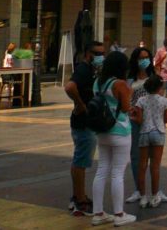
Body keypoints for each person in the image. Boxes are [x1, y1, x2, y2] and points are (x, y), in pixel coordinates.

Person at [90, 50, 136, 226]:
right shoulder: (120, 84)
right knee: (118, 173)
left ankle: (98, 213)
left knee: (102, 170)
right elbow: (125, 107)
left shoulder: (98, 83)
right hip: (120, 131)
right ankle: (119, 214)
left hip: (102, 130)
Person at [65, 41, 104, 217]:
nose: (101, 56)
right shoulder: (83, 69)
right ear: (89, 54)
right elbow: (70, 86)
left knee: (79, 160)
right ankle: (80, 202)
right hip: (83, 122)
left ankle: (78, 197)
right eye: (98, 53)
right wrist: (80, 104)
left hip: (84, 121)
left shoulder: (91, 70)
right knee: (81, 161)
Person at [125, 47, 167, 206]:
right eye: (140, 58)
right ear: (135, 60)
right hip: (136, 122)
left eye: (146, 57)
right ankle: (139, 190)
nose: (144, 60)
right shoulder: (130, 79)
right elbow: (127, 99)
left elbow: (161, 99)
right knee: (137, 157)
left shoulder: (154, 76)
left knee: (154, 160)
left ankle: (156, 190)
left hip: (154, 123)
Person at [132, 75, 167, 209]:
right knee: (155, 166)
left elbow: (139, 120)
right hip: (158, 133)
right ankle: (155, 196)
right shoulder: (164, 101)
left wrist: (132, 115)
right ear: (160, 87)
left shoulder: (141, 100)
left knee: (142, 166)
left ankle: (143, 197)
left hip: (144, 133)